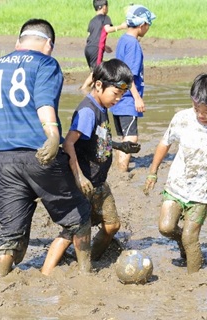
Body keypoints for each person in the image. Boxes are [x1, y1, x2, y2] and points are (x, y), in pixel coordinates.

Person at [0, 19, 92, 278]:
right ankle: (85, 278)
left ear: (18, 43)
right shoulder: (47, 64)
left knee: (8, 236)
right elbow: (44, 102)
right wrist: (53, 133)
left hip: (4, 162)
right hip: (40, 156)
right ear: (48, 45)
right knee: (79, 216)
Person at [143, 73, 207, 274]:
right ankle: (187, 247)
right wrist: (152, 172)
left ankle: (194, 279)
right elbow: (165, 142)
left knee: (190, 237)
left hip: (202, 195)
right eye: (197, 108)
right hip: (176, 186)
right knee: (166, 227)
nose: (201, 115)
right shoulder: (182, 118)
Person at [63, 58, 140, 261]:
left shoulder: (102, 107)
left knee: (112, 225)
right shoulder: (88, 111)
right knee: (77, 231)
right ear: (98, 85)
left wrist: (120, 146)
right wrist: (79, 176)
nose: (118, 99)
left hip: (99, 182)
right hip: (85, 182)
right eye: (116, 94)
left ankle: (93, 258)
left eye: (122, 95)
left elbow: (97, 139)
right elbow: (68, 143)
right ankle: (69, 261)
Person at [110, 4, 156, 172]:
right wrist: (137, 97)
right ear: (142, 24)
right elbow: (128, 74)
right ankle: (122, 171)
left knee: (123, 136)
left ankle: (118, 167)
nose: (148, 28)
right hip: (127, 99)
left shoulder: (123, 39)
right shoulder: (133, 45)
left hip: (117, 99)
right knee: (131, 137)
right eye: (148, 25)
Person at [80, 0, 127, 92]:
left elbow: (91, 36)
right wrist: (121, 27)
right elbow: (107, 29)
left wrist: (104, 46)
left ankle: (93, 90)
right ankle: (83, 89)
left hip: (88, 48)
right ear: (104, 7)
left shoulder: (92, 21)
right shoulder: (105, 18)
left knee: (95, 72)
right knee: (96, 71)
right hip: (97, 49)